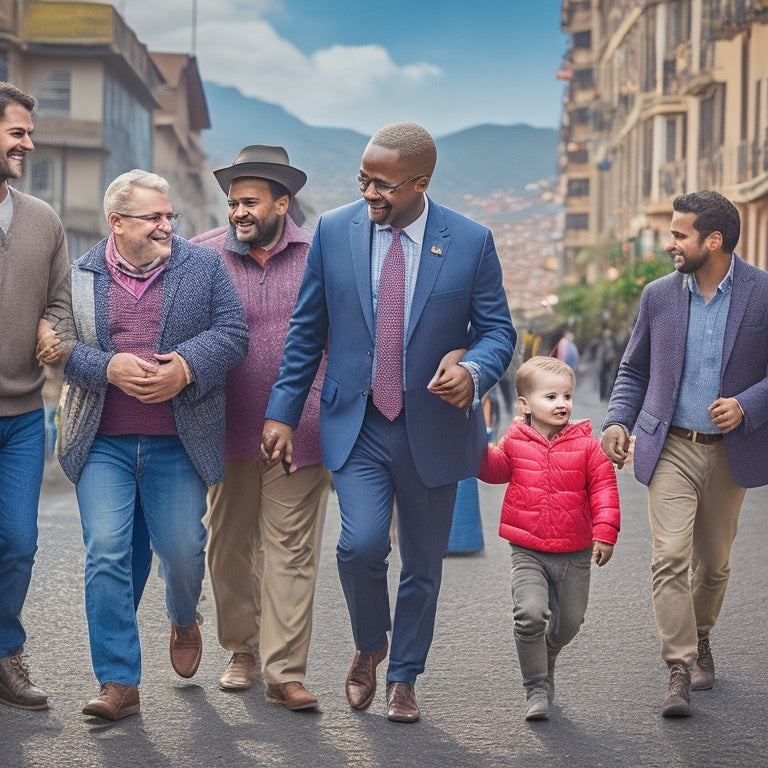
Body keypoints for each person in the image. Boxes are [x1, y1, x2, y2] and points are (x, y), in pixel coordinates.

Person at [262, 121, 516, 723]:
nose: (370, 193)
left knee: (424, 565)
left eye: (383, 185)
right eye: (362, 180)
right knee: (360, 544)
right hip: (358, 422)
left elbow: (498, 331)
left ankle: (403, 677)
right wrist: (282, 412)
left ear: (421, 182)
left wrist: (475, 371)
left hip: (434, 426)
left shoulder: (472, 240)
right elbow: (307, 330)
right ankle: (370, 643)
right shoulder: (334, 230)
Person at [58, 170, 248, 721]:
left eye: (170, 216)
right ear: (117, 222)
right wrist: (108, 367)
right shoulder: (79, 275)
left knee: (184, 552)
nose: (168, 225)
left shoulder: (203, 266)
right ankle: (118, 681)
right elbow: (61, 345)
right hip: (102, 443)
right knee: (106, 554)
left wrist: (187, 368)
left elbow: (233, 334)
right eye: (154, 217)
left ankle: (184, 616)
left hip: (177, 442)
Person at [601, 190, 768, 717]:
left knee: (713, 565)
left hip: (730, 452)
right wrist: (615, 422)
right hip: (668, 442)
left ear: (712, 241)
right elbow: (633, 370)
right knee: (670, 557)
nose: (669, 243)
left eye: (679, 234)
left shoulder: (763, 293)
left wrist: (746, 406)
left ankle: (700, 635)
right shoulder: (658, 296)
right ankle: (679, 666)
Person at [191, 145, 330, 711]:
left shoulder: (322, 255)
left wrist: (310, 412)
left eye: (249, 202)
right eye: (232, 203)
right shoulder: (200, 255)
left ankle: (283, 670)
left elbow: (339, 341)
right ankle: (241, 648)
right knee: (227, 545)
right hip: (224, 430)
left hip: (302, 430)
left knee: (291, 549)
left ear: (282, 202)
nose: (238, 212)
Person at [478, 356, 620, 720]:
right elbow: (495, 470)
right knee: (529, 614)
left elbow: (604, 490)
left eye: (567, 396)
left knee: (570, 622)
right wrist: (476, 446)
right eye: (551, 396)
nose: (562, 404)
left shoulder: (588, 446)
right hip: (527, 550)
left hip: (575, 553)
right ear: (525, 404)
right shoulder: (515, 440)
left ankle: (547, 653)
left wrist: (605, 533)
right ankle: (536, 685)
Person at [0, 82, 73, 711]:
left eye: (28, 131)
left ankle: (5, 656)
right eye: (17, 132)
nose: (29, 142)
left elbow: (60, 303)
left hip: (24, 411)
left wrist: (53, 328)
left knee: (20, 540)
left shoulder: (44, 220)